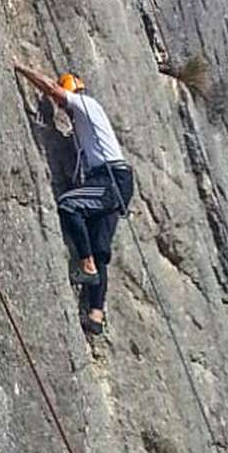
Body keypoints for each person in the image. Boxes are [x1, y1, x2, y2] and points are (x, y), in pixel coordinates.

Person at [11, 63, 136, 336]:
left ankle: (86, 263)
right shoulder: (82, 128)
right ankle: (96, 313)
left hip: (110, 179)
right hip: (115, 183)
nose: (63, 108)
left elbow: (52, 89)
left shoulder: (87, 105)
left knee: (69, 204)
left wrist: (20, 68)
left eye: (64, 102)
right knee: (100, 246)